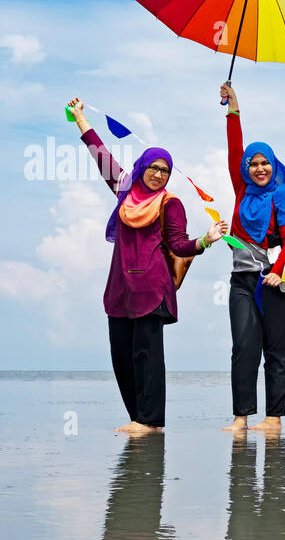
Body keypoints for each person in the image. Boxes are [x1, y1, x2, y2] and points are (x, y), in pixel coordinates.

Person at [68, 96, 224, 434]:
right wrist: (81, 119)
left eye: (164, 171)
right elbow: (100, 154)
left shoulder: (170, 202)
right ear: (142, 167)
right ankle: (137, 416)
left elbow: (180, 244)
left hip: (153, 288)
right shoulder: (125, 190)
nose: (158, 174)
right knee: (121, 356)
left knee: (147, 356)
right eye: (153, 167)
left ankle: (151, 421)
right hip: (120, 288)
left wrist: (206, 239)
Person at [220, 84, 285, 433]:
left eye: (265, 163)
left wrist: (277, 271)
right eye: (253, 163)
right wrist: (234, 108)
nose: (259, 168)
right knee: (244, 348)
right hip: (243, 280)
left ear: (274, 166)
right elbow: (233, 149)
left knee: (277, 350)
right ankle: (240, 418)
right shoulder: (242, 190)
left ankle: (273, 419)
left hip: (280, 283)